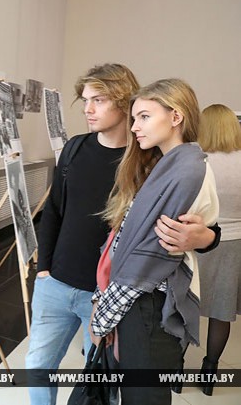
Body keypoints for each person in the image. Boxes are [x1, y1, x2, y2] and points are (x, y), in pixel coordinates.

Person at [25, 64, 220, 405]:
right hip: (57, 282)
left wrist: (206, 238)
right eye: (85, 100)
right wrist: (44, 268)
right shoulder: (75, 149)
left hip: (106, 291)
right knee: (39, 366)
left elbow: (197, 227)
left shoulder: (153, 159)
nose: (88, 109)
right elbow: (54, 210)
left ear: (122, 101)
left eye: (98, 100)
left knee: (101, 380)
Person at [90, 79, 219, 405]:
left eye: (144, 117)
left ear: (176, 117)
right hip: (135, 303)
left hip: (148, 305)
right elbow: (123, 239)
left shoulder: (186, 169)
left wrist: (104, 314)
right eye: (134, 118)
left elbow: (150, 257)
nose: (134, 127)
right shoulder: (162, 163)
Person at [193, 104, 241, 395]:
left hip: (196, 242)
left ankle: (173, 371)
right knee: (221, 312)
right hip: (234, 245)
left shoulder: (198, 161)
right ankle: (209, 372)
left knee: (184, 307)